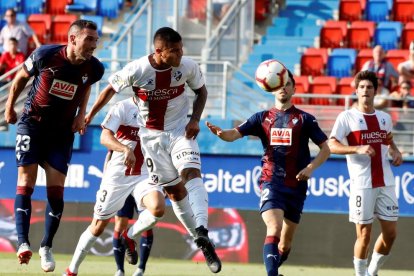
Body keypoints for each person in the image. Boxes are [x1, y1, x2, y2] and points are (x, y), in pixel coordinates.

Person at [84, 26, 221, 273]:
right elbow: (108, 91)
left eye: (181, 50)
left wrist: (195, 119)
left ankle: (202, 235)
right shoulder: (137, 70)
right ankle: (129, 235)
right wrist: (89, 115)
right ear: (159, 51)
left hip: (181, 131)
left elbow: (201, 92)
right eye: (175, 51)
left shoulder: (187, 66)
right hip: (152, 141)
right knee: (175, 195)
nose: (181, 55)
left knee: (191, 173)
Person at [205, 69, 330, 276]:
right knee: (274, 228)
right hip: (271, 182)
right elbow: (233, 134)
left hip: (297, 186)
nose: (283, 87)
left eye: (288, 83)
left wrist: (310, 167)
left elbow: (326, 149)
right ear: (271, 87)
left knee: (286, 243)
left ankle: (274, 268)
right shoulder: (261, 118)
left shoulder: (305, 119)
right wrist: (221, 133)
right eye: (280, 83)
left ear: (294, 89)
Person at [3, 19, 104, 272]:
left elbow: (86, 86)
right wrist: (9, 107)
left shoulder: (95, 68)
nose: (93, 45)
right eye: (88, 40)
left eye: (95, 40)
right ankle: (23, 243)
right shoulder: (45, 55)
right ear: (72, 39)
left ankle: (46, 245)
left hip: (62, 132)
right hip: (32, 124)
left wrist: (81, 115)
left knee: (56, 191)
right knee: (25, 182)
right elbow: (19, 79)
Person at [64, 95, 165, 276]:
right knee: (98, 226)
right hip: (118, 175)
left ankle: (130, 236)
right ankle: (72, 270)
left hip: (144, 174)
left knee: (157, 208)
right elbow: (105, 137)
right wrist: (125, 149)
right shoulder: (123, 107)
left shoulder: (161, 109)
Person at [328, 70, 403, 276]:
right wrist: (356, 148)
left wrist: (395, 151)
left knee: (391, 234)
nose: (365, 91)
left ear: (375, 91)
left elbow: (388, 140)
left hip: (386, 182)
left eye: (369, 87)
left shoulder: (384, 118)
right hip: (362, 184)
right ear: (356, 91)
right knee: (364, 235)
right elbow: (331, 145)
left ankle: (372, 271)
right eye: (361, 87)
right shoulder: (347, 117)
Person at [113, 195, 155, 276]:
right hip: (124, 187)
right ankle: (119, 270)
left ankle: (141, 269)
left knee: (147, 223)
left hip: (142, 186)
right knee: (120, 225)